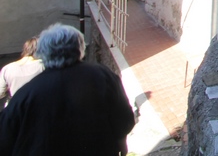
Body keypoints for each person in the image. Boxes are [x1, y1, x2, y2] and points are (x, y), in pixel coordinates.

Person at [0, 24, 135, 156]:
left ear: (43, 53)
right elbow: (123, 117)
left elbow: (6, 134)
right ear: (80, 48)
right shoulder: (103, 75)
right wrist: (121, 143)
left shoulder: (27, 92)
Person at [0, 38, 44, 106]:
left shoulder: (7, 68)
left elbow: (0, 93)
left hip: (14, 109)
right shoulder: (44, 66)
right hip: (37, 108)